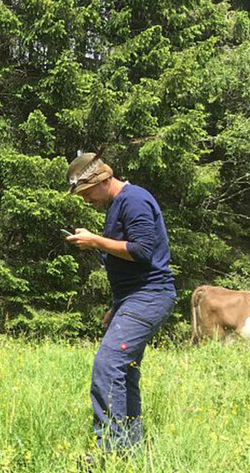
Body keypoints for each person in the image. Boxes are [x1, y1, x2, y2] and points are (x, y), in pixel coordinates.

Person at [64, 152, 176, 454]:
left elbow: (142, 252)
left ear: (100, 180)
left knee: (108, 364)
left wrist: (97, 241)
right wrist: (116, 306)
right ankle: (128, 448)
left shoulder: (134, 200)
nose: (86, 200)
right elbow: (127, 267)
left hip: (150, 295)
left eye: (86, 192)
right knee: (124, 370)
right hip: (134, 298)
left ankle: (110, 451)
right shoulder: (117, 205)